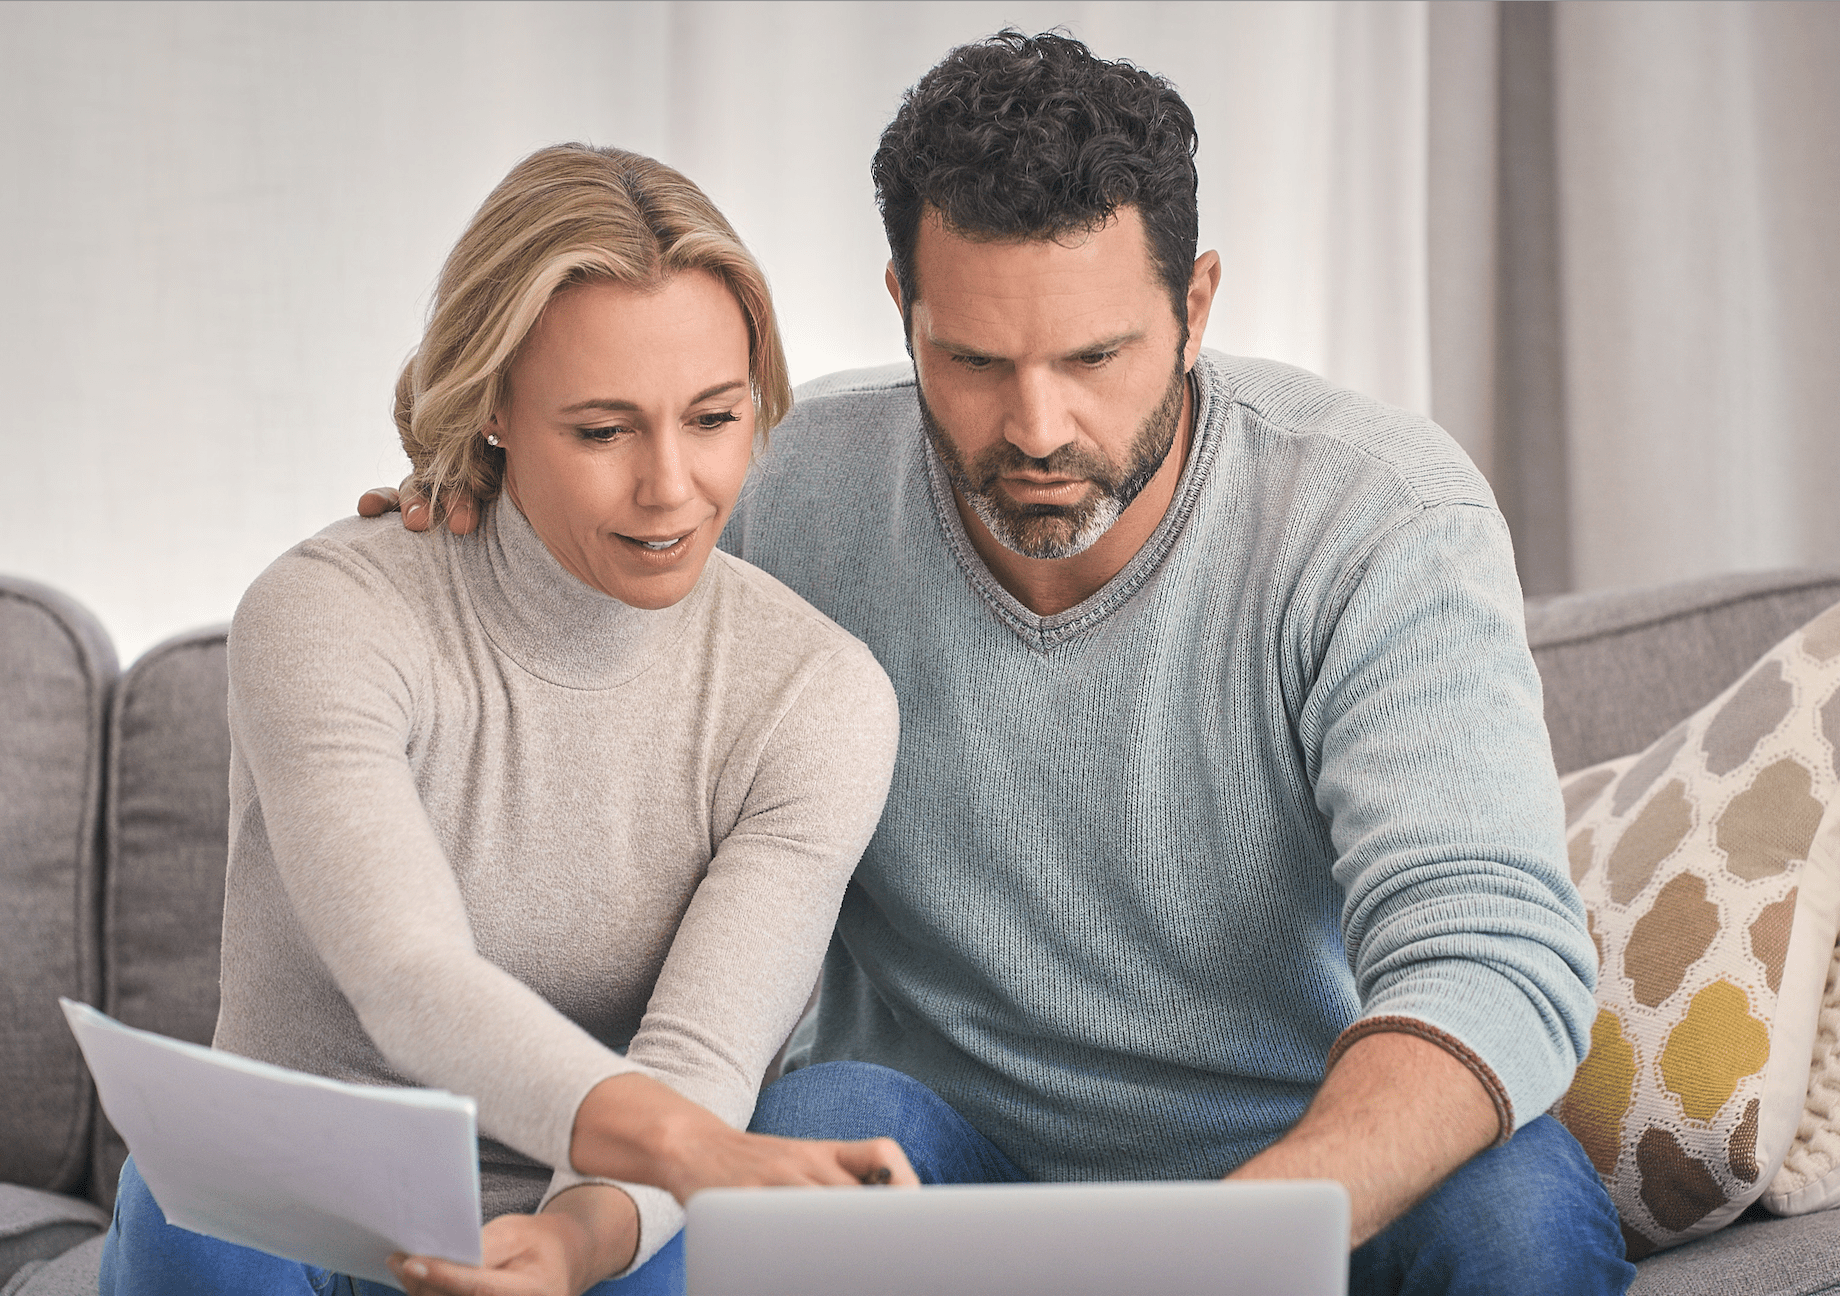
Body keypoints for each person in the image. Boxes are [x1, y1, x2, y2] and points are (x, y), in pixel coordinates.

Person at [370, 32, 1635, 1296]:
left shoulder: (1376, 519)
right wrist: (473, 538)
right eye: (972, 362)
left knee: (1514, 1217)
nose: (1035, 428)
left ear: (1194, 307)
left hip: (1301, 1170)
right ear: (901, 312)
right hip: (940, 1172)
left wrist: (1234, 1247)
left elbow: (1487, 951)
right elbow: (587, 596)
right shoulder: (785, 497)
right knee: (810, 1132)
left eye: (1094, 358)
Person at [102, 144, 917, 1296]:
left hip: (594, 1225)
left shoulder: (813, 695)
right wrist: (696, 1152)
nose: (671, 487)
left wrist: (580, 1238)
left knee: (811, 1128)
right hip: (295, 1222)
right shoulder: (330, 613)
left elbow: (702, 1056)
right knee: (195, 1178)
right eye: (601, 431)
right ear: (492, 406)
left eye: (714, 417)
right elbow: (406, 975)